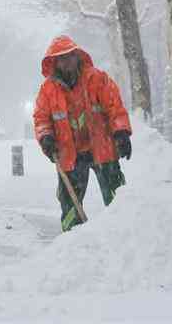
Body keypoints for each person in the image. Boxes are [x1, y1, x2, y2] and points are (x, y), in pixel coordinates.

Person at [33, 35, 132, 232]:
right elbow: (41, 118)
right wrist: (46, 137)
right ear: (54, 62)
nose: (67, 61)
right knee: (69, 202)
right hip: (70, 154)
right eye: (62, 58)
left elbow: (115, 107)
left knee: (117, 196)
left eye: (70, 56)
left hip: (102, 148)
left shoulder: (97, 79)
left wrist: (121, 132)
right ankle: (72, 238)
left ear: (78, 56)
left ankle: (124, 232)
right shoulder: (47, 90)